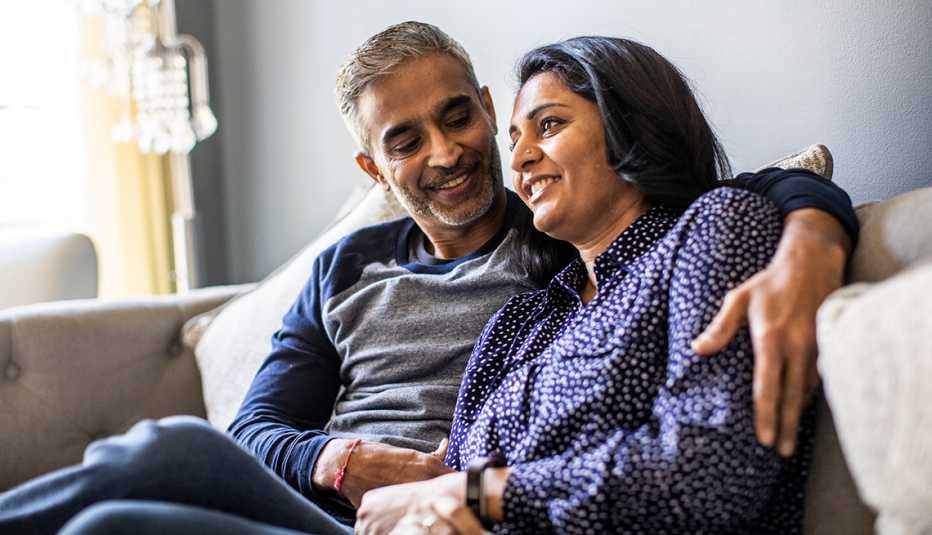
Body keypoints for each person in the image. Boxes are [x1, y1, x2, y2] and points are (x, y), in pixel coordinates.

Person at [0, 22, 856, 535]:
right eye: (407, 141)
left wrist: (813, 228)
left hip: (456, 514)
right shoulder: (489, 303)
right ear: (374, 167)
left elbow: (728, 194)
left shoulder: (570, 237)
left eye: (465, 118)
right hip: (362, 507)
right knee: (143, 488)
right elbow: (260, 427)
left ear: (484, 106)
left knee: (160, 458)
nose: (460, 155)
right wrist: (350, 462)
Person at [359, 35, 830, 535]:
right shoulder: (517, 323)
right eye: (516, 139)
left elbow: (711, 476)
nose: (519, 160)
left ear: (629, 124)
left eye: (550, 125)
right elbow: (443, 493)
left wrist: (482, 494)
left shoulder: (716, 229)